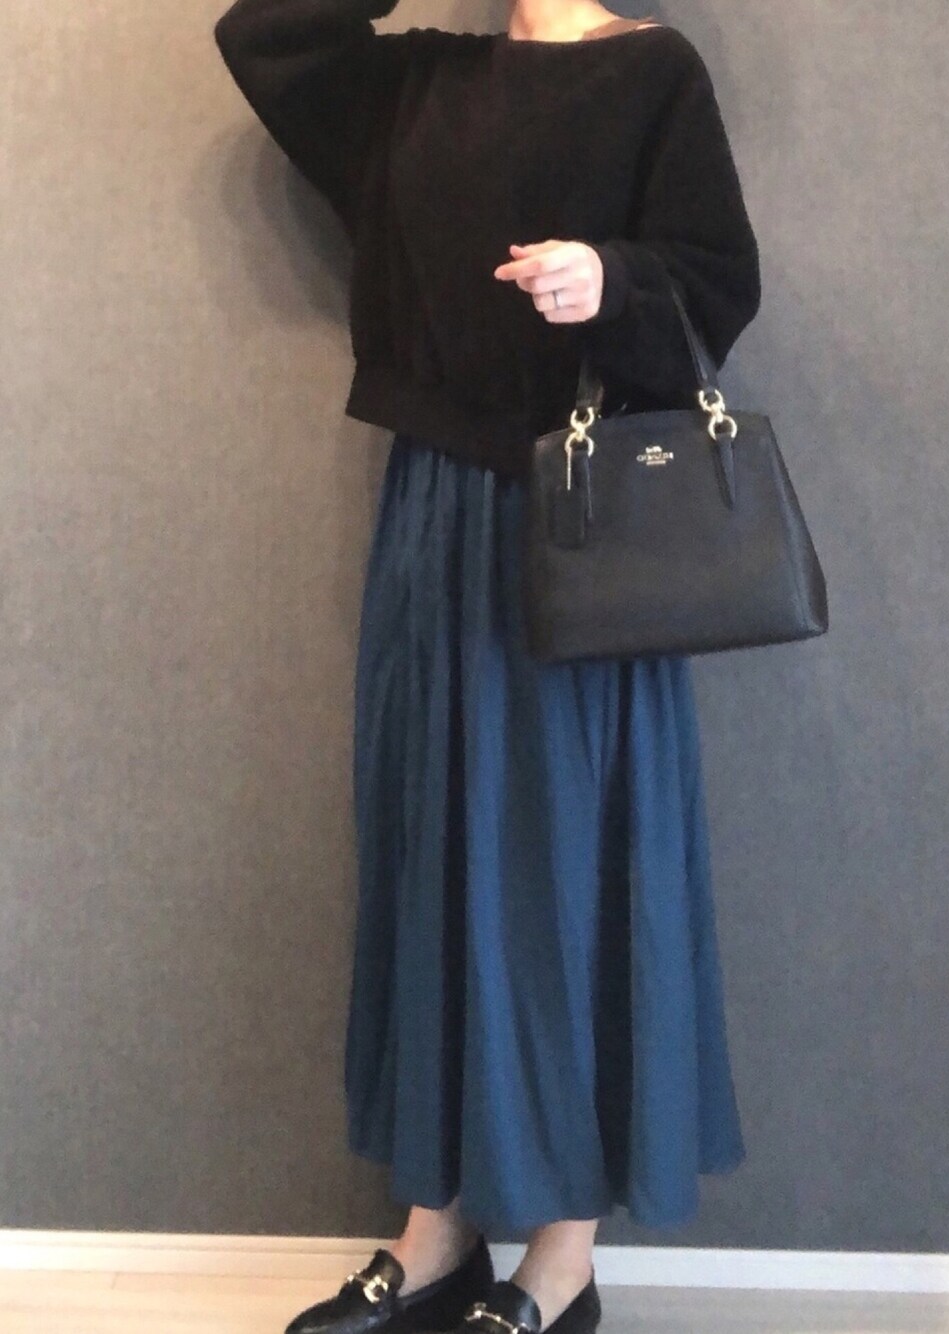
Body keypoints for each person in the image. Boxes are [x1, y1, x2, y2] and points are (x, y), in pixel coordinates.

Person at [212, 2, 762, 1331]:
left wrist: (613, 280)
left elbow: (718, 282)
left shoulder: (655, 71)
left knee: (571, 867)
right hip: (437, 517)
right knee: (431, 855)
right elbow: (265, 34)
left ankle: (561, 1263)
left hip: (586, 530)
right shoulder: (418, 80)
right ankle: (438, 1232)